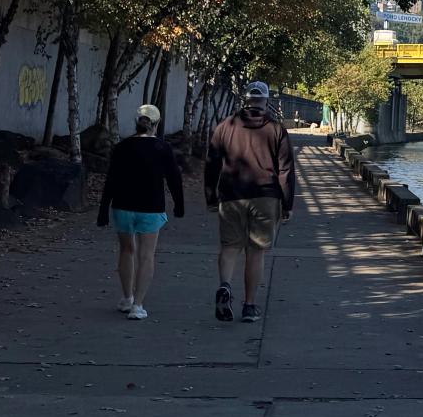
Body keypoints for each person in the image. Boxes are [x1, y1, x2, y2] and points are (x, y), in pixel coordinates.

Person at [205, 80, 295, 323]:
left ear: (245, 99)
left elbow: (212, 164)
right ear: (265, 100)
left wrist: (211, 197)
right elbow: (285, 170)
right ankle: (249, 305)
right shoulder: (276, 129)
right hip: (266, 196)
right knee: (256, 251)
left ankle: (225, 285)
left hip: (231, 195)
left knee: (229, 247)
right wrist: (287, 204)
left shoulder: (225, 127)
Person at [96, 103, 185, 320]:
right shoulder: (163, 148)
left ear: (136, 122)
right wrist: (179, 205)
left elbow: (111, 179)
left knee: (126, 251)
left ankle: (127, 298)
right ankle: (138, 305)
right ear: (156, 124)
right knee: (146, 255)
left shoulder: (122, 147)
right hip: (151, 208)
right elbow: (174, 178)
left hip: (123, 206)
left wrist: (103, 209)